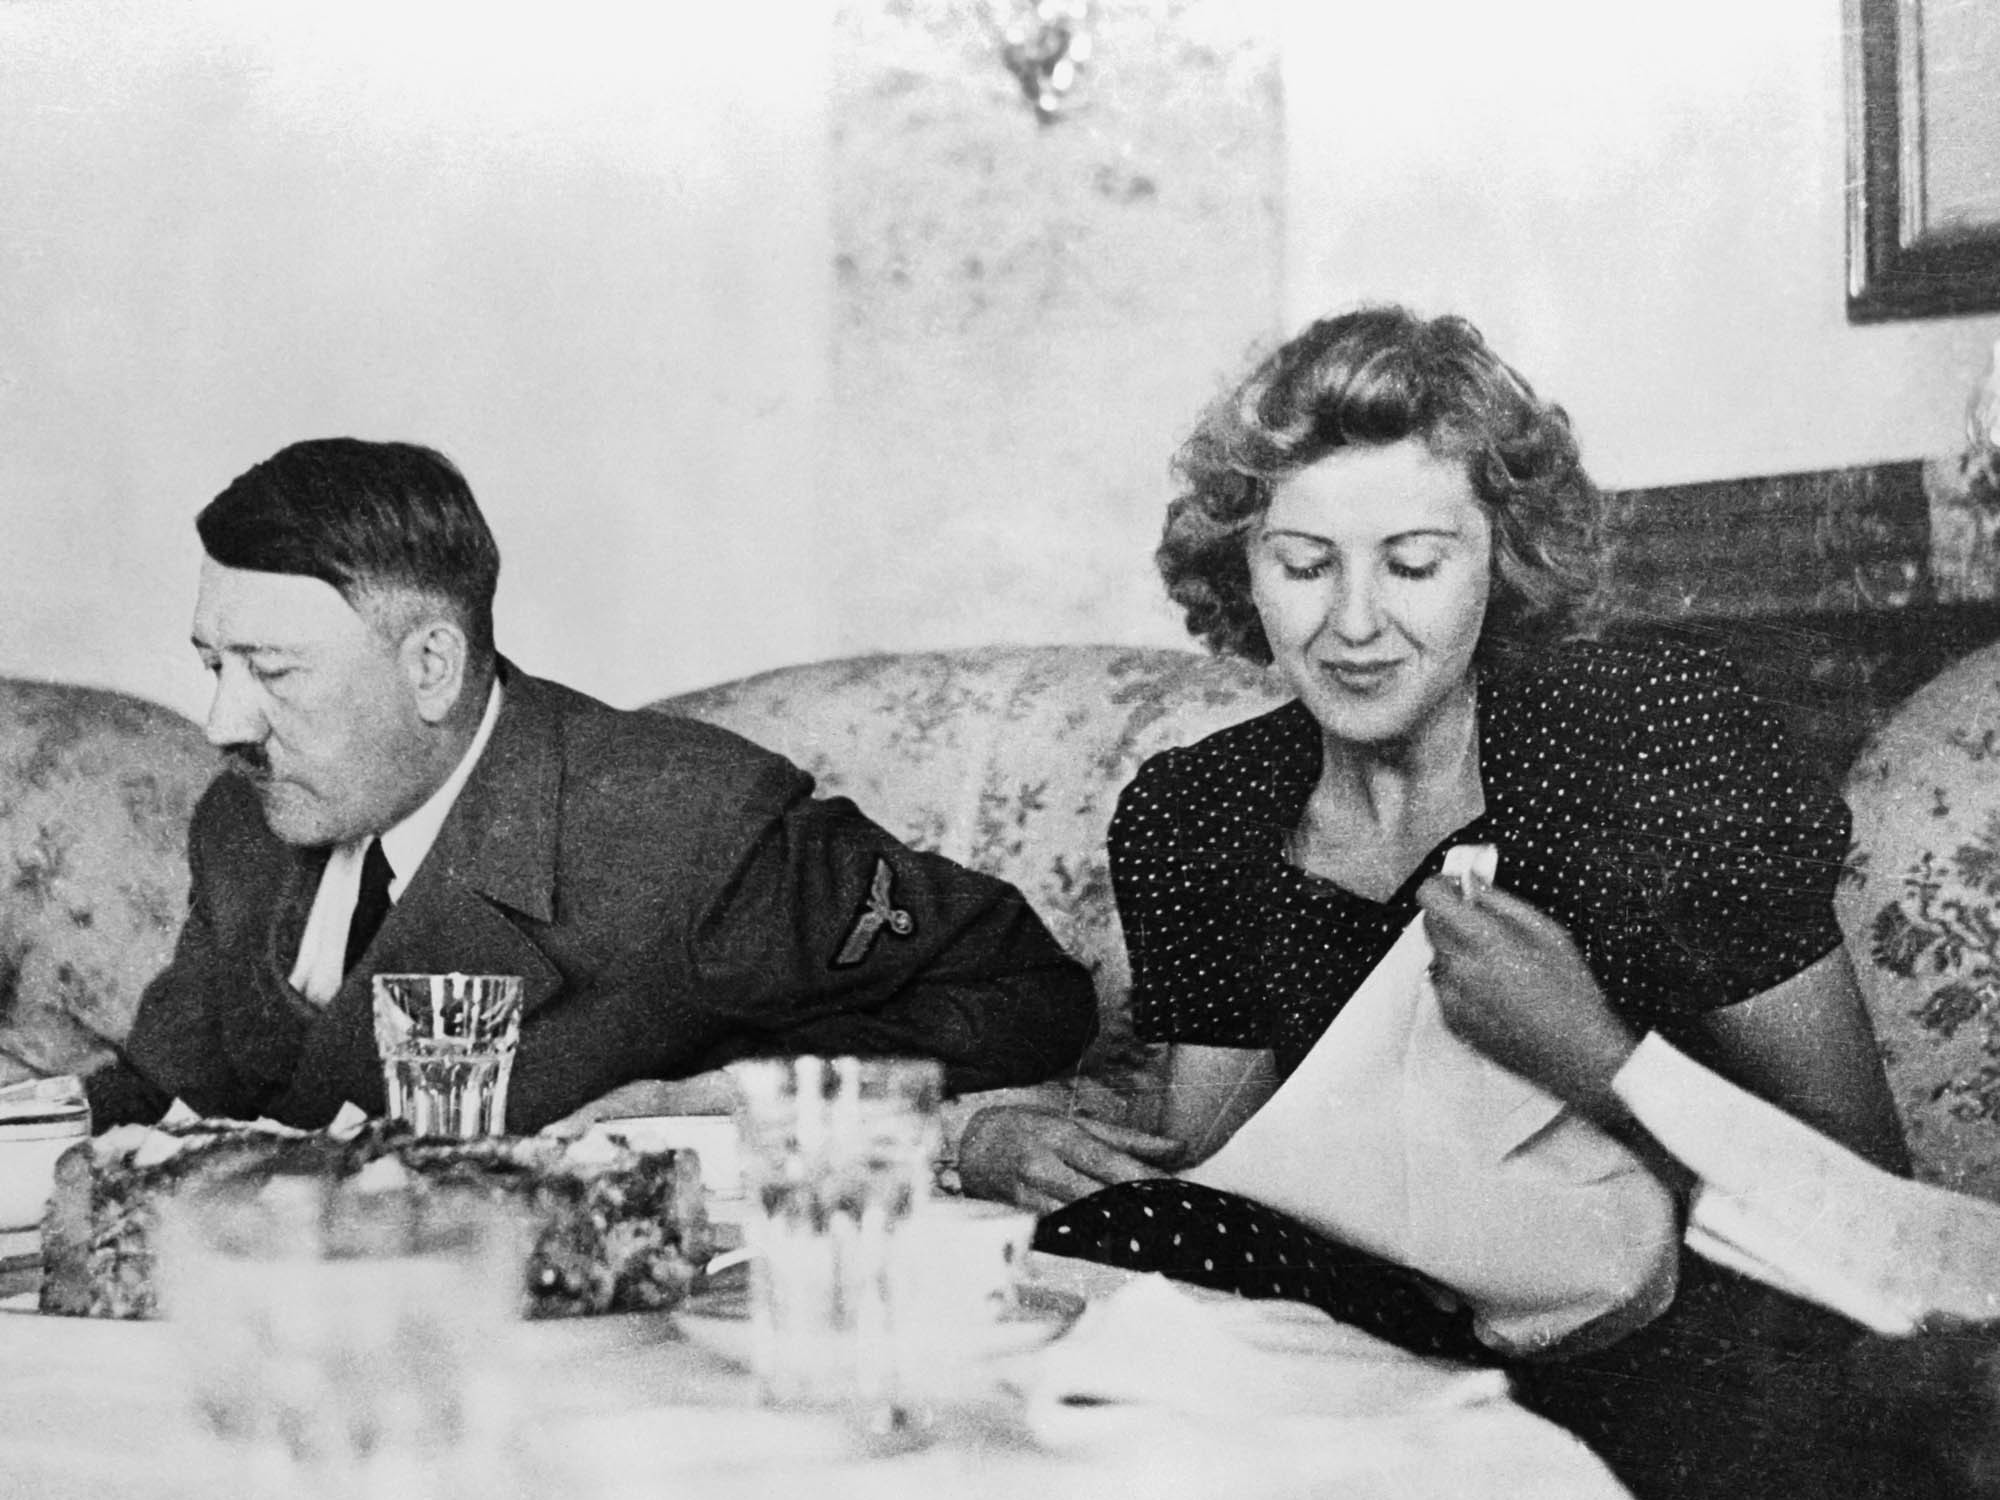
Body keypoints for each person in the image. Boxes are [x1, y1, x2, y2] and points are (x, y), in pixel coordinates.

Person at [955, 306, 1914, 1498]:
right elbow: (1208, 1172)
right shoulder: (1199, 808)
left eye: (1411, 564)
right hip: (1366, 1348)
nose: (1353, 623)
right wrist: (993, 1140)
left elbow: (1868, 1194)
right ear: (1242, 570)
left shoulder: (1648, 741)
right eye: (1303, 565)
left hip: (1667, 1366)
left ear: (1500, 564)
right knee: (1093, 1274)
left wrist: (1593, 1060)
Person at [82, 438, 1097, 1135]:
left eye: (273, 671)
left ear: (431, 666)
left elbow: (1024, 996)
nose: (223, 723)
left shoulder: (687, 830)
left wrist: (720, 1099)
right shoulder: (244, 818)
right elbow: (170, 1094)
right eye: (212, 665)